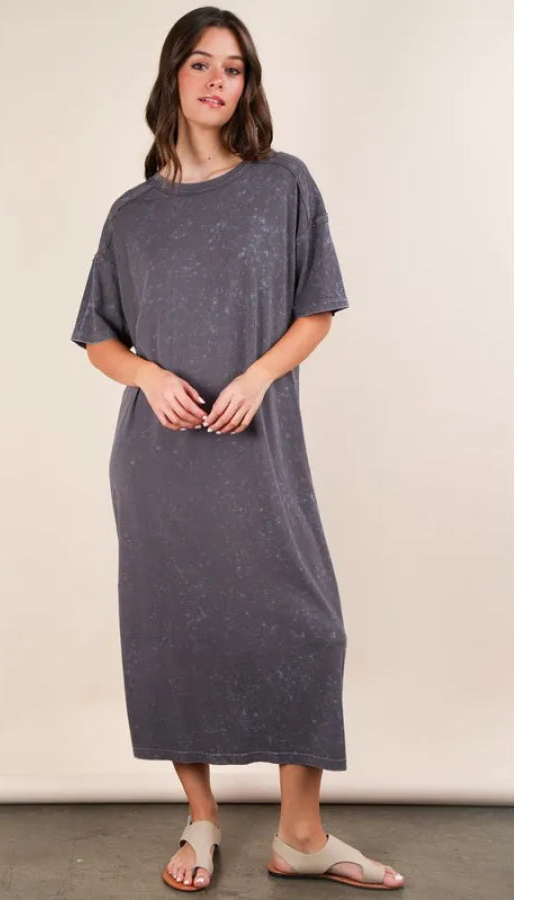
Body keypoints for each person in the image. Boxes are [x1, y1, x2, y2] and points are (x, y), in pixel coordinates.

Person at [70, 6, 406, 893]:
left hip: (261, 450)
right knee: (173, 630)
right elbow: (99, 335)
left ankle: (301, 834)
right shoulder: (132, 215)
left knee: (310, 626)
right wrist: (146, 376)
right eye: (201, 63)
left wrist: (258, 376)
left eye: (235, 67)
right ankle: (202, 820)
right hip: (160, 463)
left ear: (248, 84)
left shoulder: (282, 184)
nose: (218, 80)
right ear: (172, 77)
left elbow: (317, 309)